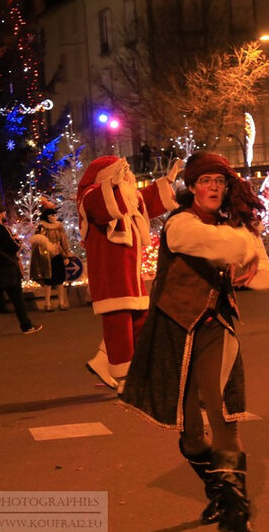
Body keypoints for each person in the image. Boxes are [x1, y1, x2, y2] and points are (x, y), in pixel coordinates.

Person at [120, 152, 269, 532]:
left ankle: (235, 511)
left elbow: (254, 263)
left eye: (220, 181)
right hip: (174, 329)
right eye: (206, 181)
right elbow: (226, 247)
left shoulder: (228, 226)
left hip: (215, 324)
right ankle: (219, 493)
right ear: (193, 187)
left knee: (222, 412)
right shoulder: (181, 225)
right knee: (189, 431)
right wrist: (245, 243)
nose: (214, 187)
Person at [78, 155, 180, 393]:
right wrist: (110, 185)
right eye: (122, 172)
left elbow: (142, 199)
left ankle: (106, 363)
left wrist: (167, 181)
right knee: (119, 321)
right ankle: (125, 377)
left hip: (129, 273)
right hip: (111, 273)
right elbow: (98, 203)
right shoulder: (92, 196)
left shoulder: (125, 196)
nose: (127, 177)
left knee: (138, 320)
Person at [0, 204, 42, 339]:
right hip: (8, 270)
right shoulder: (2, 229)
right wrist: (17, 241)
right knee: (18, 300)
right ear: (0, 214)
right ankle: (26, 326)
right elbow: (12, 247)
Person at [29, 204, 72, 311]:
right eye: (51, 215)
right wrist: (47, 248)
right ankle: (47, 304)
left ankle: (61, 302)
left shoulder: (59, 226)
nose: (54, 217)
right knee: (48, 280)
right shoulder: (42, 227)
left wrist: (65, 255)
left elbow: (63, 241)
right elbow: (38, 242)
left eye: (54, 215)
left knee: (60, 280)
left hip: (58, 255)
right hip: (46, 257)